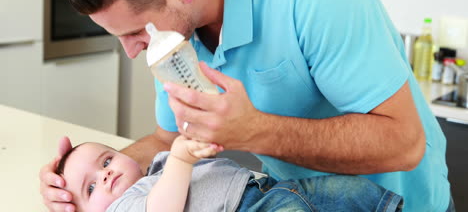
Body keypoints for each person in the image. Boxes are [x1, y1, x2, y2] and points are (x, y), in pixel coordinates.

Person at [39, 0, 452, 211]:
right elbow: (170, 140)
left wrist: (254, 131)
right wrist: (81, 183)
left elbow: (405, 143)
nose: (132, 51)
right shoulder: (173, 32)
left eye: (133, 34)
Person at [55, 135, 403, 212]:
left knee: (345, 191)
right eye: (90, 188)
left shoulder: (154, 170)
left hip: (268, 189)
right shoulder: (122, 208)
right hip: (249, 208)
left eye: (106, 161)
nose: (105, 175)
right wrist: (180, 157)